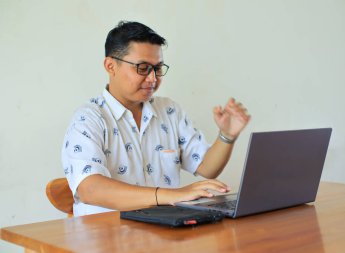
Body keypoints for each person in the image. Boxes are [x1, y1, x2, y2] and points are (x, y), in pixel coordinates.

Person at [61, 21, 251, 216]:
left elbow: (206, 167)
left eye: (158, 68)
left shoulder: (168, 110)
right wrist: (171, 195)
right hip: (104, 236)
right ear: (111, 66)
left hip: (161, 232)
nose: (153, 78)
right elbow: (90, 189)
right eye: (143, 68)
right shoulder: (89, 119)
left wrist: (227, 136)